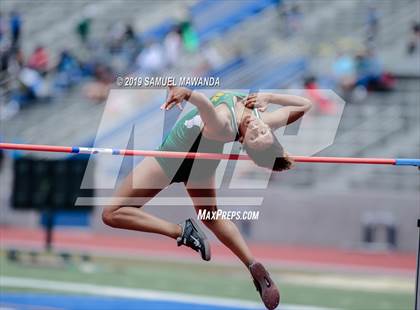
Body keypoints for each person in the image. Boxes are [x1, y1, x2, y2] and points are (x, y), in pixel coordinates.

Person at [102, 87, 312, 309]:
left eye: (253, 136)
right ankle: (252, 265)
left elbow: (205, 107)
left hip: (171, 159)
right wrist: (270, 97)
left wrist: (187, 94)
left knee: (111, 213)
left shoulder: (224, 126)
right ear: (271, 131)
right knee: (211, 217)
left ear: (244, 143)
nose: (256, 129)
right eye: (262, 132)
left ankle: (180, 231)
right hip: (200, 166)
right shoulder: (265, 119)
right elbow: (304, 105)